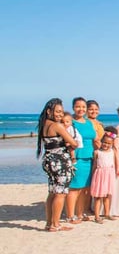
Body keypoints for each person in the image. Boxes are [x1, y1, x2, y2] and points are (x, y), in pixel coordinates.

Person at [37, 98, 78, 231]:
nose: (60, 114)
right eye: (58, 112)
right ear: (49, 111)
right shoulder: (57, 126)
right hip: (60, 161)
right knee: (60, 193)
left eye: (62, 112)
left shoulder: (44, 124)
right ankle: (55, 224)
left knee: (52, 192)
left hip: (49, 159)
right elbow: (74, 143)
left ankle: (49, 223)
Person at [66, 97, 97, 223]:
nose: (81, 109)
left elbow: (94, 139)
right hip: (76, 158)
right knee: (74, 188)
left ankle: (80, 213)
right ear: (73, 107)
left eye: (83, 107)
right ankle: (70, 215)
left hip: (89, 158)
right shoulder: (70, 122)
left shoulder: (88, 122)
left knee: (85, 188)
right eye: (78, 107)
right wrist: (72, 158)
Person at [90, 127, 119, 223]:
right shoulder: (97, 152)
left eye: (109, 143)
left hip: (109, 174)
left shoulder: (113, 152)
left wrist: (115, 173)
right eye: (104, 142)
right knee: (98, 196)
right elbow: (95, 165)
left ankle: (107, 213)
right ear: (101, 142)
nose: (106, 145)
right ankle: (97, 216)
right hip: (100, 175)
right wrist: (93, 176)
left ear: (112, 144)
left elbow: (115, 163)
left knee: (107, 195)